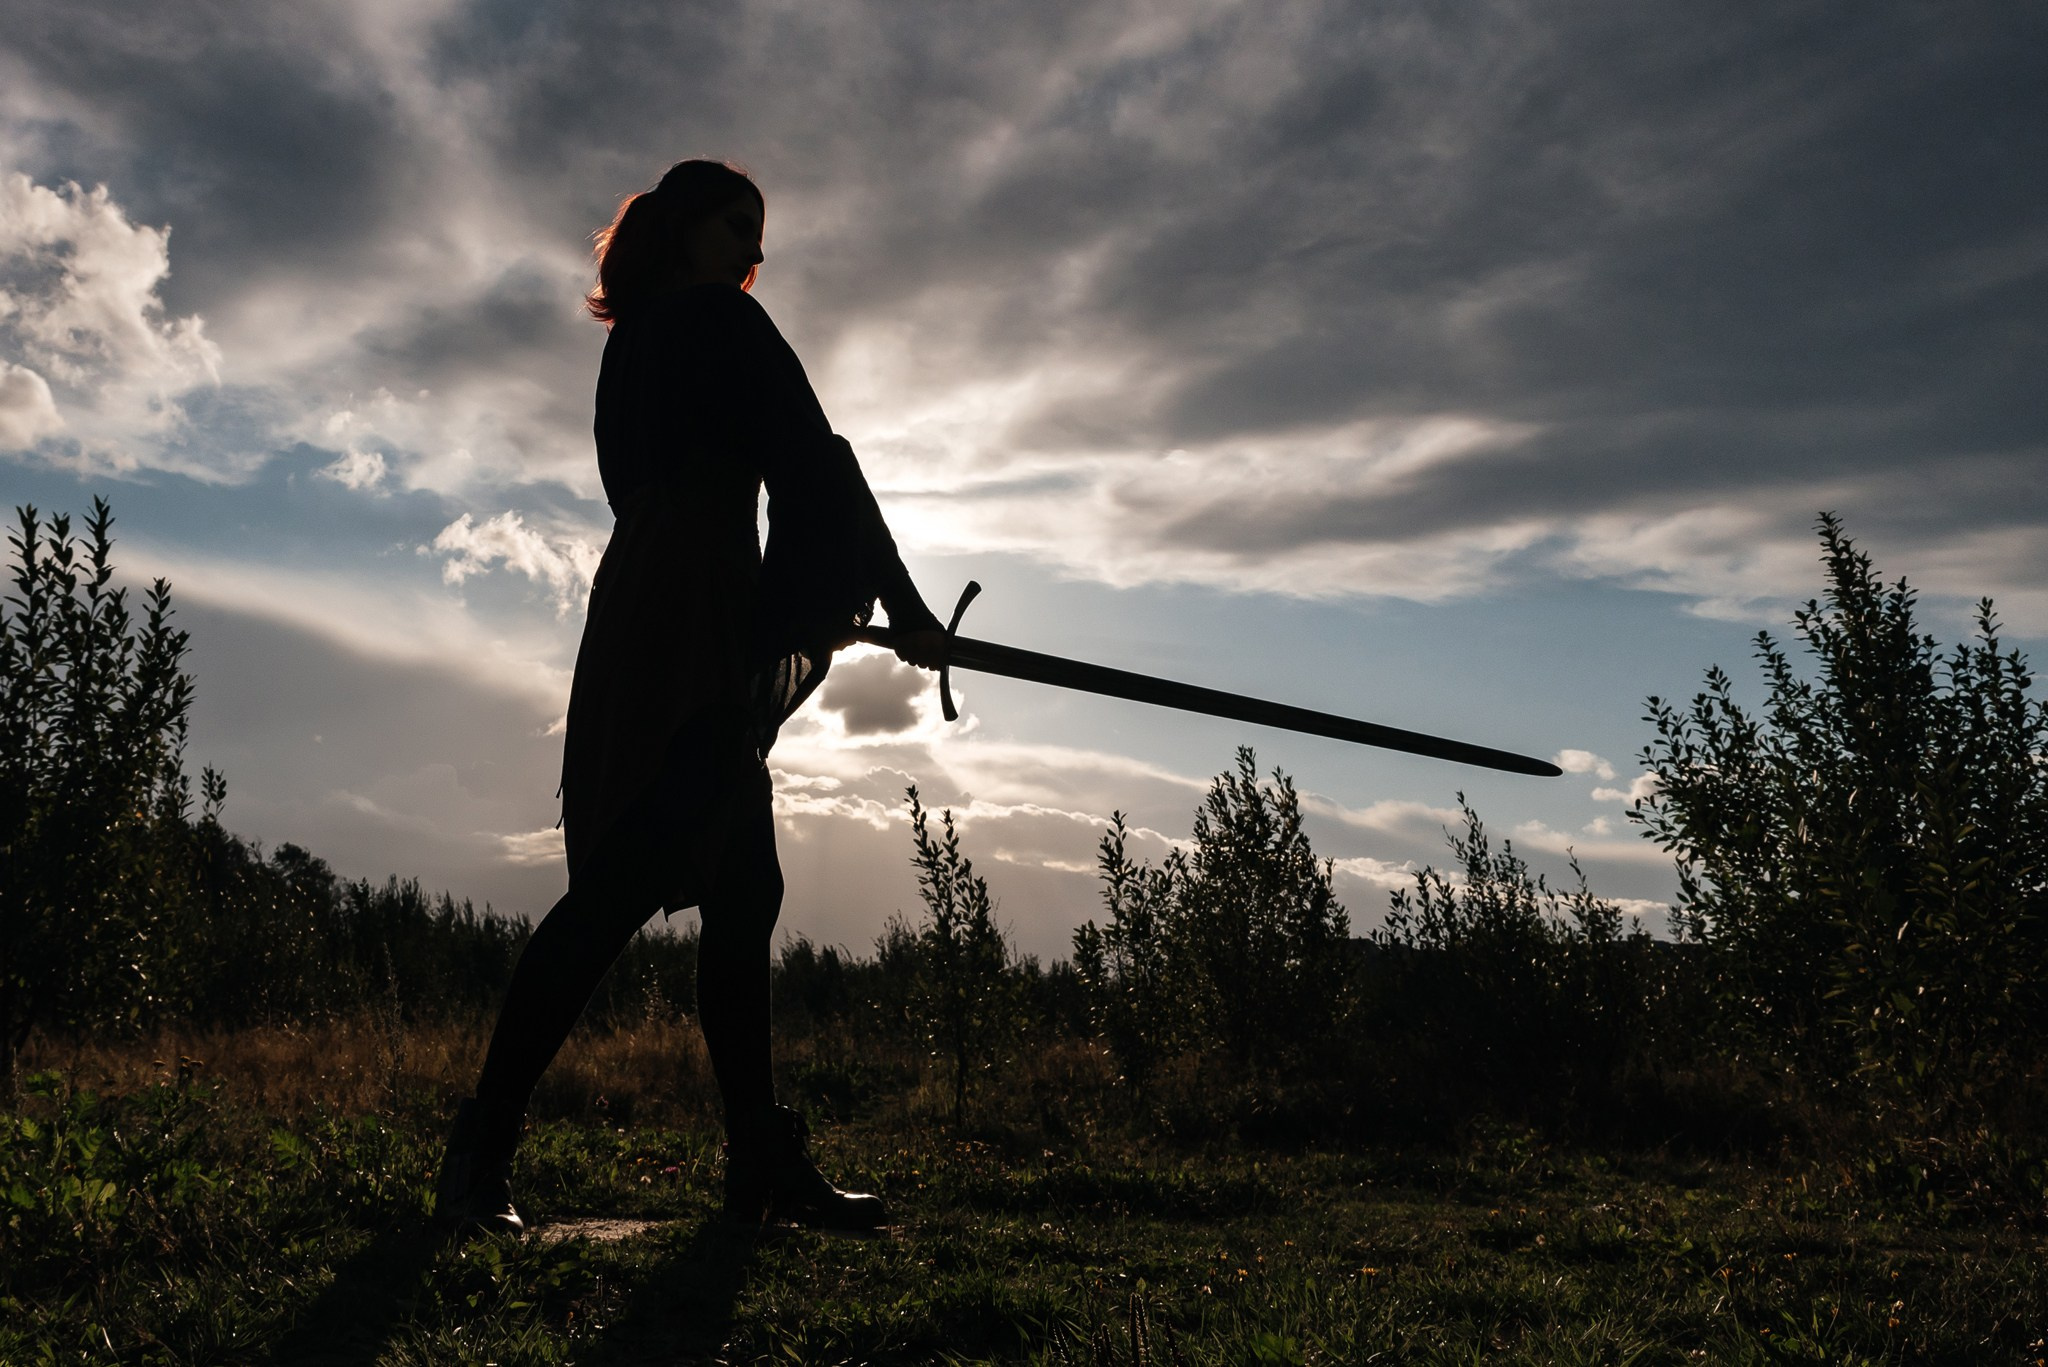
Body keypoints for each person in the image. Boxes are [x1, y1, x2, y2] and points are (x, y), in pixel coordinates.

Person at [434, 159, 946, 1237]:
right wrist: (898, 602)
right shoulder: (718, 320)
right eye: (735, 226)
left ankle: (757, 1156)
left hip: (646, 601)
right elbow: (820, 463)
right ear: (682, 229)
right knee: (623, 885)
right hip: (694, 615)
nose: (752, 252)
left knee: (744, 885)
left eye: (759, 237)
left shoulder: (627, 346)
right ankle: (480, 1148)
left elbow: (686, 483)